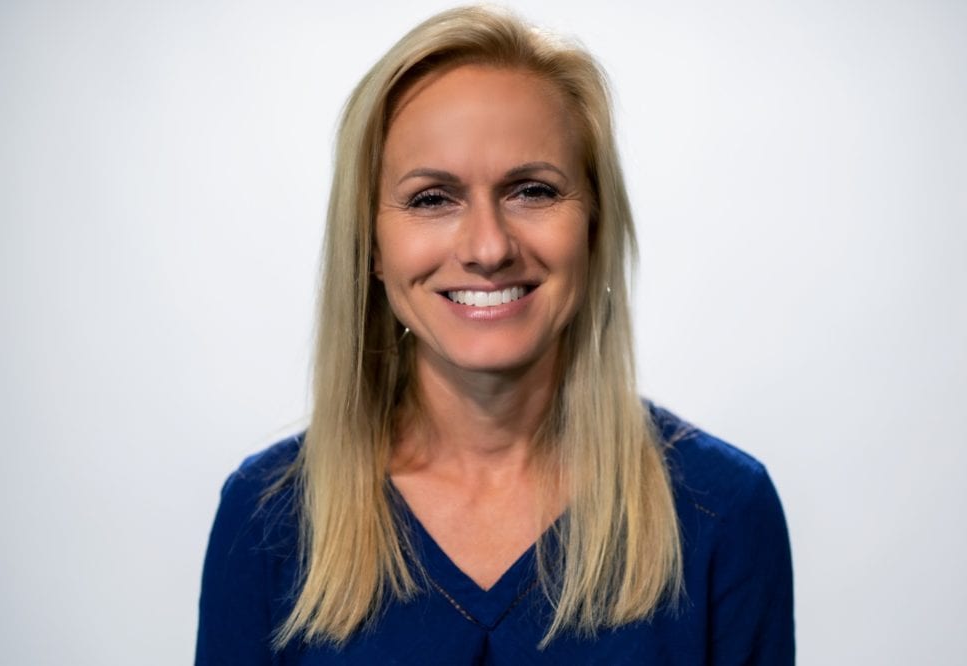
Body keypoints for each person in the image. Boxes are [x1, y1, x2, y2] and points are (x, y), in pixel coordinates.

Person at [196, 6, 793, 664]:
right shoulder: (267, 520)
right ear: (370, 243)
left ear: (595, 227)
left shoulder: (723, 513)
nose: (488, 247)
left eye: (532, 190)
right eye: (431, 198)